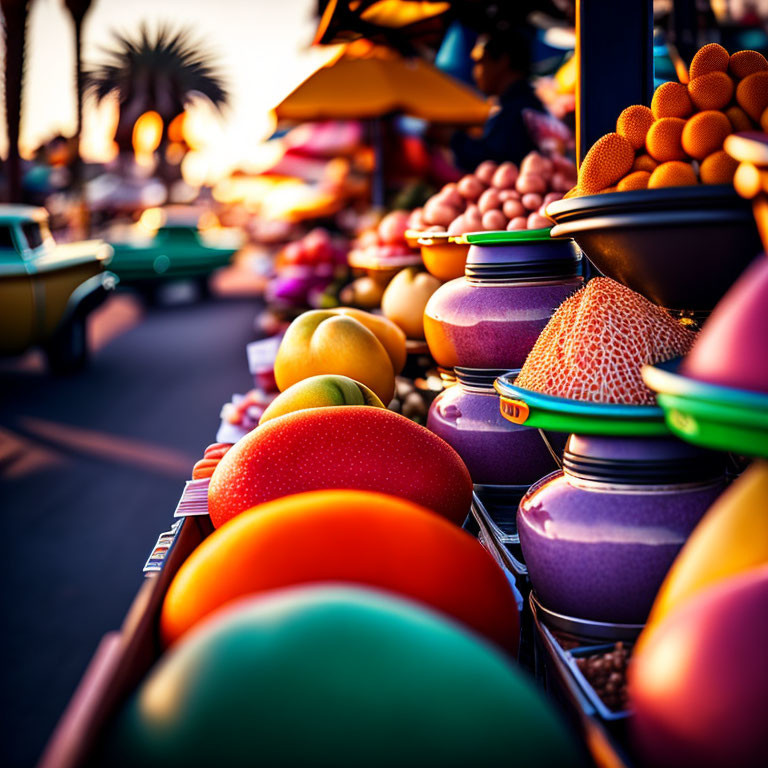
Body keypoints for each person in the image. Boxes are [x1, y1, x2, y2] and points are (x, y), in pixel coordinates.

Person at [450, 29, 543, 171]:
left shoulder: (515, 111)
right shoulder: (530, 104)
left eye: (480, 62)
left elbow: (490, 161)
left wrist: (452, 139)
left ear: (502, 61)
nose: (475, 71)